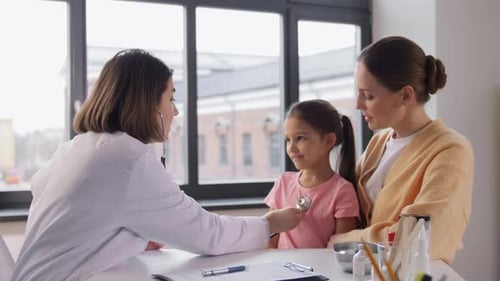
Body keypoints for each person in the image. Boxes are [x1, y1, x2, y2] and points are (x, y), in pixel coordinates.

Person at [11, 49, 303, 281]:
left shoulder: (78, 147)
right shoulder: (129, 159)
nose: (175, 111)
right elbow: (208, 234)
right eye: (171, 98)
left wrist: (132, 236)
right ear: (148, 103)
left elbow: (82, 222)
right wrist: (269, 224)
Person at [327, 36, 474, 265]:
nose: (358, 104)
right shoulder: (379, 143)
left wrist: (347, 239)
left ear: (406, 95)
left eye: (369, 95)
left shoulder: (451, 150)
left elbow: (420, 237)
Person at [265, 99, 360, 248]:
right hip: (282, 269)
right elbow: (270, 242)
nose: (291, 148)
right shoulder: (283, 183)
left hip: (321, 271)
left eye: (300, 138)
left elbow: (342, 250)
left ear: (329, 140)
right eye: (288, 140)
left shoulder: (342, 191)